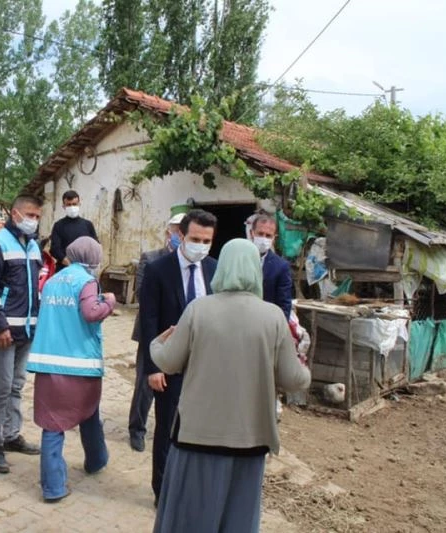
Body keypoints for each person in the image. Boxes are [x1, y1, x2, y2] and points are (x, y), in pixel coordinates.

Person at [150, 239, 311, 533]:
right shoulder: (273, 317)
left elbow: (169, 362)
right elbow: (294, 380)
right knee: (237, 520)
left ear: (221, 268)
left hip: (197, 437)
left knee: (191, 519)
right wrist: (304, 366)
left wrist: (156, 344)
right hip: (250, 440)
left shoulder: (198, 310)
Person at [27, 237, 116, 502]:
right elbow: (91, 312)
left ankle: (53, 486)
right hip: (79, 365)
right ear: (93, 257)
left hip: (47, 363)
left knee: (52, 424)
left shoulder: (53, 280)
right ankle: (96, 460)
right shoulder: (86, 281)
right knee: (89, 412)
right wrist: (109, 302)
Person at [139, 209, 218, 505]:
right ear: (181, 235)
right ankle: (162, 491)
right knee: (167, 428)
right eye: (195, 239)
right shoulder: (159, 270)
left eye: (207, 241)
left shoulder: (214, 269)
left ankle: (190, 487)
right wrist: (153, 367)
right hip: (169, 365)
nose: (201, 245)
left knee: (198, 430)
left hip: (204, 366)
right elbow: (149, 321)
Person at [0, 194, 43, 473]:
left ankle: (12, 435)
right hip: (4, 330)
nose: (34, 221)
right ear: (14, 214)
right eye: (30, 215)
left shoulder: (33, 246)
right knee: (2, 387)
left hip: (27, 328)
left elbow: (35, 287)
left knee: (17, 385)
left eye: (37, 216)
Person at [127, 212, 184, 452]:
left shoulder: (192, 265)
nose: (179, 235)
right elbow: (142, 293)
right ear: (168, 233)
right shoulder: (150, 258)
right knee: (145, 383)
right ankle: (137, 429)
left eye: (182, 231)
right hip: (152, 331)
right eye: (176, 230)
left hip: (181, 334)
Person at [250, 214, 293, 319]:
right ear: (252, 233)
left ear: (274, 238)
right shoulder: (239, 259)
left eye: (268, 236)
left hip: (267, 321)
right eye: (260, 234)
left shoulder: (281, 266)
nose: (263, 239)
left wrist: (281, 326)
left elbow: (284, 303)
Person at [49, 190, 98, 272]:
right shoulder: (58, 225)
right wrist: (68, 262)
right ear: (63, 206)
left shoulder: (88, 225)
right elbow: (54, 249)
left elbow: (95, 245)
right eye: (68, 205)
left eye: (74, 204)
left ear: (79, 204)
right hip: (64, 269)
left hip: (85, 270)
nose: (72, 207)